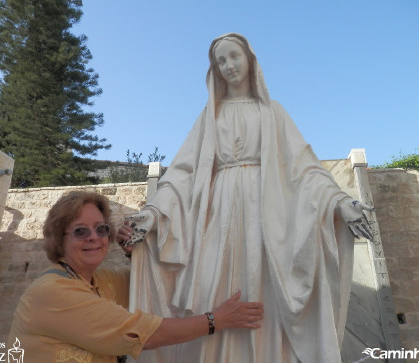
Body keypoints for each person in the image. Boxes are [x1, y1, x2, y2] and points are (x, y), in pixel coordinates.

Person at [123, 33, 373, 363]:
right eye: (220, 61)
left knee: (266, 294)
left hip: (267, 215)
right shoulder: (209, 116)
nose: (228, 66)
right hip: (218, 216)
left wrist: (339, 202)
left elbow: (303, 168)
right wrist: (154, 213)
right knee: (213, 292)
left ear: (250, 59)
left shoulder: (273, 112)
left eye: (234, 57)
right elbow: (183, 173)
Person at [7, 191, 264, 363]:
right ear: (58, 240)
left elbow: (150, 286)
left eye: (101, 229)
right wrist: (216, 320)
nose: (94, 237)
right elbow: (144, 335)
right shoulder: (52, 291)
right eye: (80, 231)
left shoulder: (101, 280)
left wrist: (138, 256)